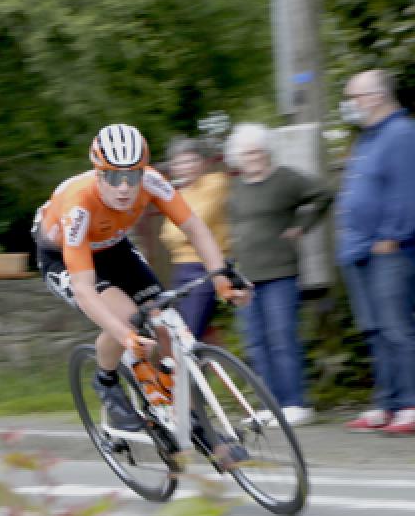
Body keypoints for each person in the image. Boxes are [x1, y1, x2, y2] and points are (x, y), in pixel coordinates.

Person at [34, 123, 249, 437]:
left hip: (113, 247)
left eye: (132, 176)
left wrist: (221, 279)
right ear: (98, 173)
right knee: (127, 319)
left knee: (164, 322)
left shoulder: (153, 182)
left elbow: (196, 230)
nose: (123, 187)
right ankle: (106, 382)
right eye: (111, 176)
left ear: (143, 172)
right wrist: (124, 336)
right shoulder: (78, 206)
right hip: (65, 256)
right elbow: (84, 289)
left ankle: (180, 414)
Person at [223, 124, 331, 428]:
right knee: (256, 342)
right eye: (246, 154)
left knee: (282, 337)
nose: (253, 158)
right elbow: (235, 231)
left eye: (257, 151)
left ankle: (296, 403)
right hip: (247, 277)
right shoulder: (238, 191)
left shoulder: (285, 180)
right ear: (237, 159)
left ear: (266, 150)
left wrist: (301, 226)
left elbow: (324, 194)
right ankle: (271, 405)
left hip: (281, 273)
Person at [335, 69, 415, 434]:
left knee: (396, 329)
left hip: (388, 250)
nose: (350, 105)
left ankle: (410, 406)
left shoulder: (400, 134)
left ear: (377, 96)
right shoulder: (367, 138)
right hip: (358, 251)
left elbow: (406, 191)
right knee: (375, 332)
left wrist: (392, 236)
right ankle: (386, 404)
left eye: (355, 97)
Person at [159, 137, 230, 340]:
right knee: (177, 331)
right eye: (179, 162)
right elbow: (168, 236)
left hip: (206, 267)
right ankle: (196, 370)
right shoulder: (174, 194)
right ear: (172, 167)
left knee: (189, 333)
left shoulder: (216, 183)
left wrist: (184, 233)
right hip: (181, 268)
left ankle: (198, 368)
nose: (186, 167)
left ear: (203, 163)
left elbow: (199, 222)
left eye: (191, 160)